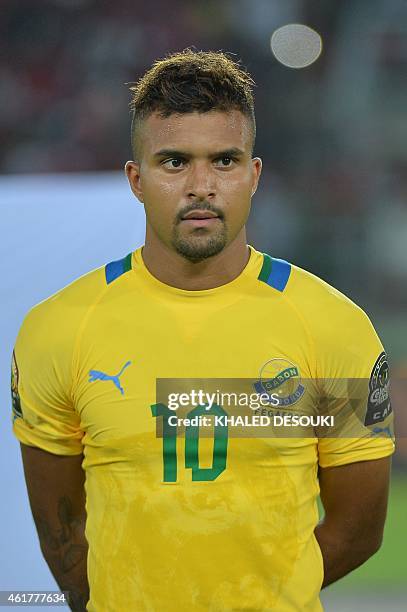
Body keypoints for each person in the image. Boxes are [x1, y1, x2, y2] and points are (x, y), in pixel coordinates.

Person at [11, 49, 395, 612]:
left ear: (254, 174)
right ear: (136, 180)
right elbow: (62, 533)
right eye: (173, 162)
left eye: (224, 161)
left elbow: (360, 528)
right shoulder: (57, 329)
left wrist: (257, 597)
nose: (201, 186)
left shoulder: (335, 327)